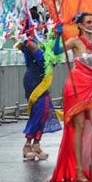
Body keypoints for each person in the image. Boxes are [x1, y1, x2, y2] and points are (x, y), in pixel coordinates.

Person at [50, 12, 92, 182]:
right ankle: (79, 169)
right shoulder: (74, 42)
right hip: (75, 88)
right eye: (88, 21)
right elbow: (56, 51)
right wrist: (57, 36)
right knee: (78, 126)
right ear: (79, 25)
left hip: (91, 89)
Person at [20, 18, 61, 161]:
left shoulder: (38, 42)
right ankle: (27, 145)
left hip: (41, 79)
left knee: (45, 111)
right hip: (34, 81)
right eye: (34, 25)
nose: (37, 27)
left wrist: (56, 38)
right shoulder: (29, 43)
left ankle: (36, 145)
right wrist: (51, 56)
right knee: (38, 111)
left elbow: (51, 57)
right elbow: (44, 60)